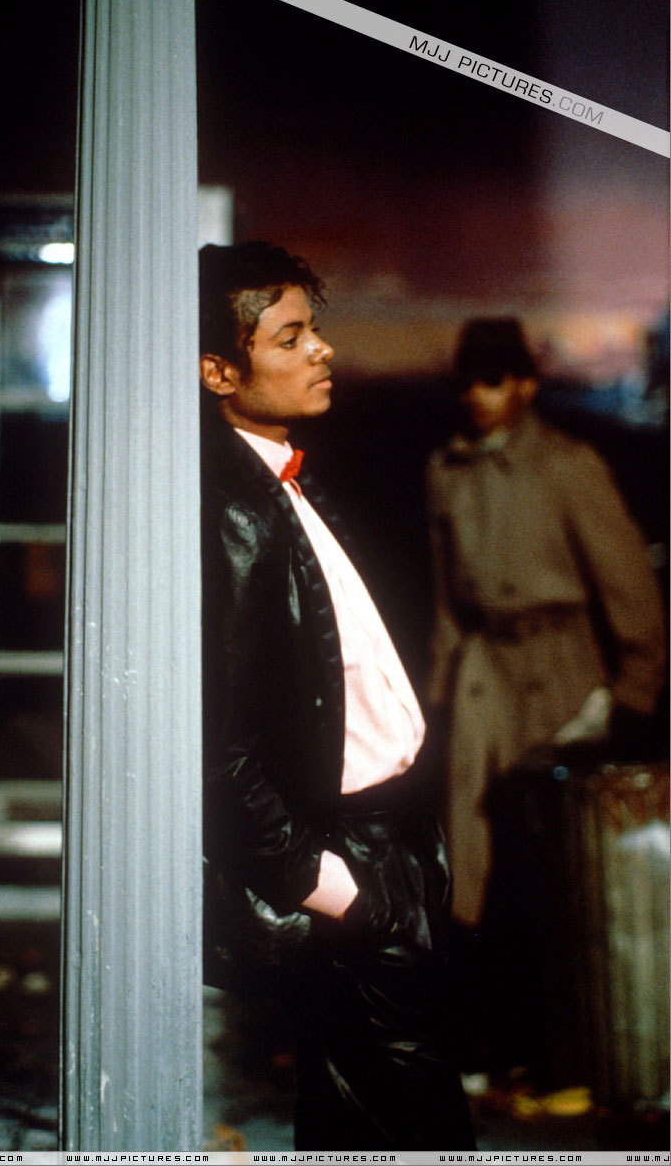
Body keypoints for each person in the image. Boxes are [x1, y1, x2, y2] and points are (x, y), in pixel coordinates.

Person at [199, 241, 475, 1151]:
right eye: (289, 338)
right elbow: (219, 749)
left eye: (313, 329)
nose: (321, 349)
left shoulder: (283, 477)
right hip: (354, 859)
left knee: (366, 1122)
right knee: (415, 1130)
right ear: (219, 371)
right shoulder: (236, 511)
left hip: (394, 842)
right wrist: (338, 892)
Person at [425, 317, 666, 1071]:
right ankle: (483, 1035)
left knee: (553, 862)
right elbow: (445, 595)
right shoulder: (447, 468)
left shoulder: (568, 465)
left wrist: (630, 695)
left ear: (526, 386)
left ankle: (556, 1041)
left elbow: (629, 586)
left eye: (493, 380)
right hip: (483, 678)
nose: (477, 395)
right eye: (466, 382)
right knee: (469, 858)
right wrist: (436, 696)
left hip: (560, 673)